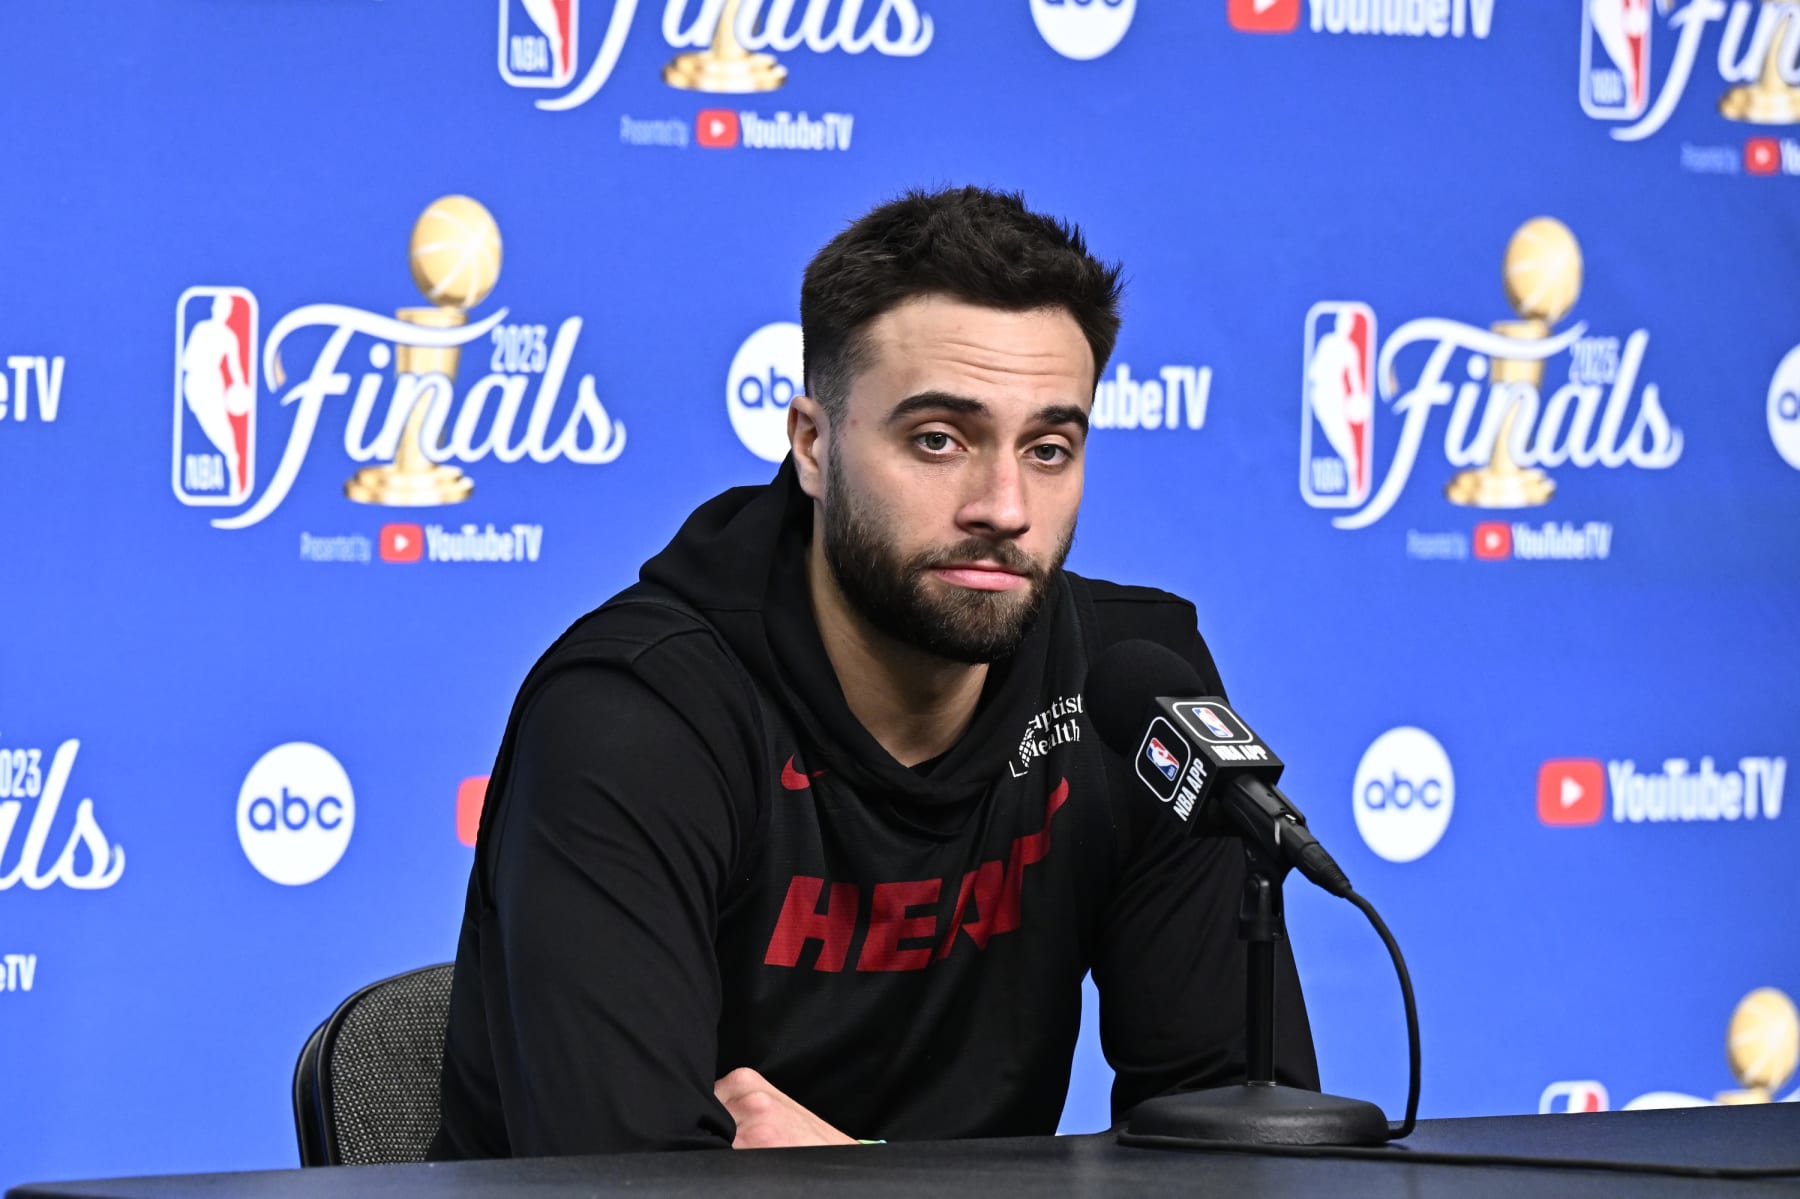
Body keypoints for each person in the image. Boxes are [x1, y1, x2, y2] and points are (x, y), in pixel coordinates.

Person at [429, 186, 1318, 1159]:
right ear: (813, 444)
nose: (1004, 505)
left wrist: (857, 1183)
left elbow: (1246, 1153)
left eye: (1049, 447)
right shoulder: (634, 714)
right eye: (939, 438)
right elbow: (622, 1192)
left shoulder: (1133, 693)